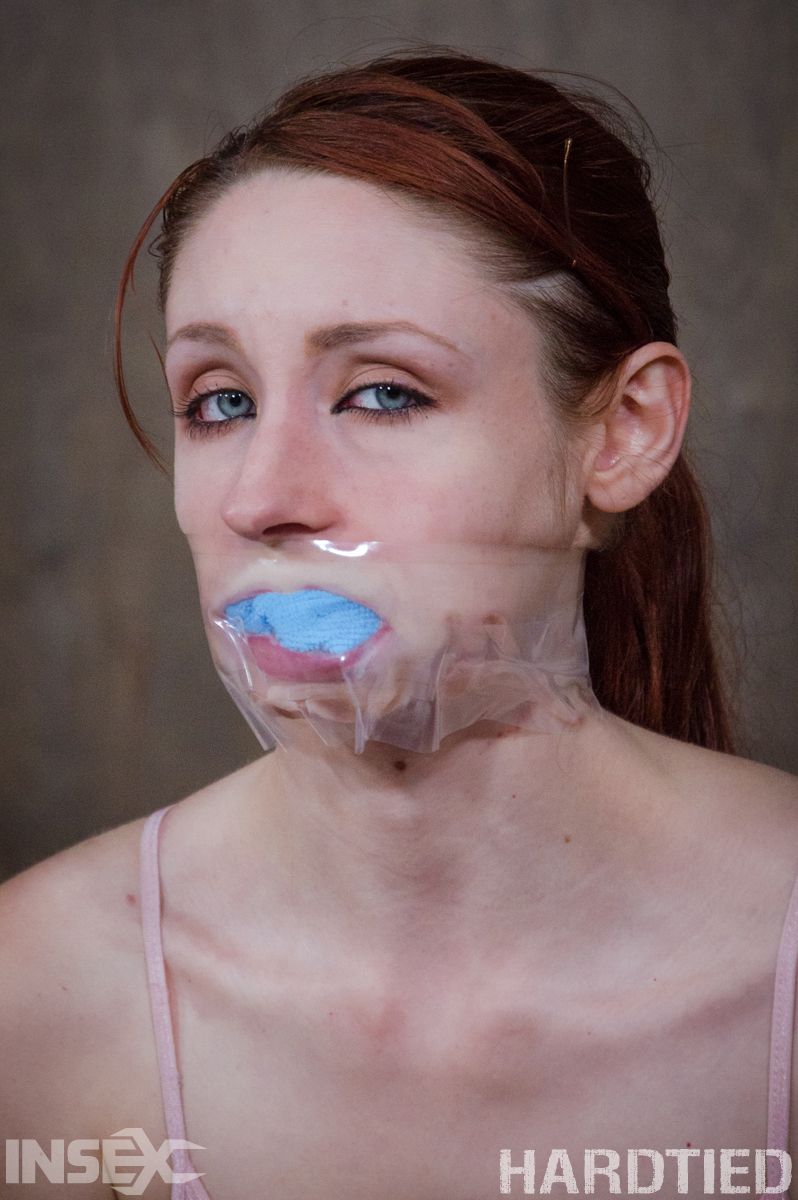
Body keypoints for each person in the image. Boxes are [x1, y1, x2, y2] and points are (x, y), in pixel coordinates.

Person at [1, 52, 797, 1200]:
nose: (261, 497)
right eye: (220, 402)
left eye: (383, 393)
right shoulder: (39, 994)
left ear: (624, 431)